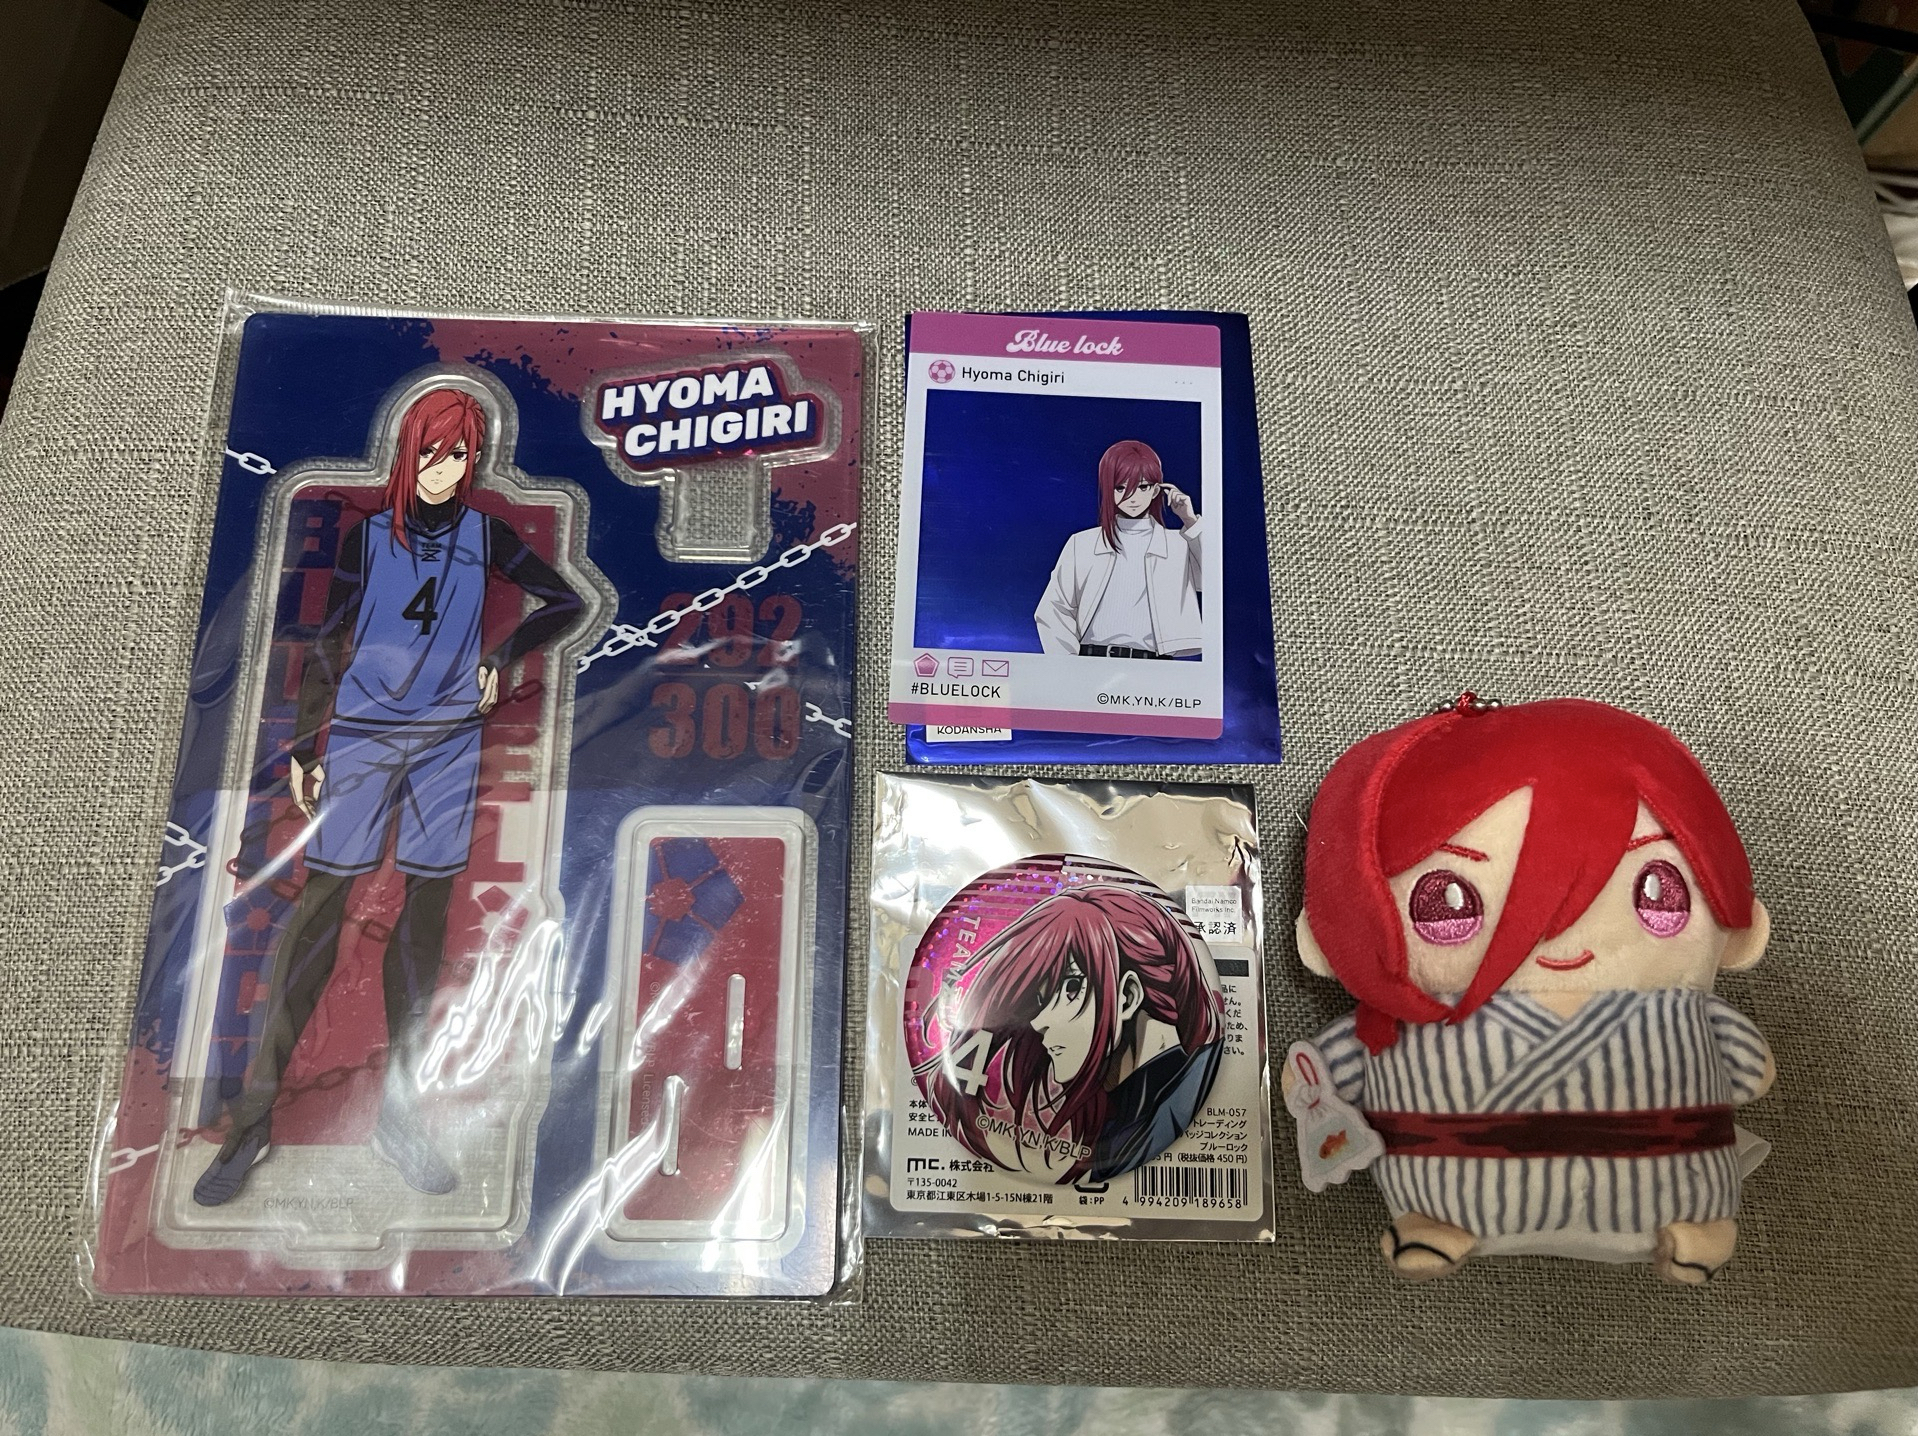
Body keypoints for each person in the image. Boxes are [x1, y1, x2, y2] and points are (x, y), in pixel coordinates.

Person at [194, 385, 585, 1206]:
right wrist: (308, 747)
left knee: (423, 926)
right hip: (364, 737)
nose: (449, 469)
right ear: (410, 452)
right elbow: (325, 644)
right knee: (318, 916)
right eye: (436, 452)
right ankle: (252, 1123)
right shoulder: (369, 539)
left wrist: (500, 657)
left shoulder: (487, 536)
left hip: (449, 743)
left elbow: (567, 601)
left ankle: (400, 1118)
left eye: (463, 455)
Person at [1288, 698, 1775, 1284]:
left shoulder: (1676, 1008)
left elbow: (1749, 1069)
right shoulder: (1399, 1017)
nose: (1557, 936)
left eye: (1657, 890)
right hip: (1449, 1180)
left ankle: (1696, 1224)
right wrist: (1315, 1078)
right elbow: (1751, 1073)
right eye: (1447, 905)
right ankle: (1437, 1225)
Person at [917, 884, 1223, 1183]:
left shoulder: (1172, 1105)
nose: (1039, 1022)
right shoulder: (1123, 1126)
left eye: (1071, 987)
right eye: (1041, 998)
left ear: (1128, 996)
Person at [1033, 439, 1203, 659]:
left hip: (1156, 666)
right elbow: (1054, 608)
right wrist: (1068, 664)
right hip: (1091, 662)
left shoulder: (1179, 544)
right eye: (1120, 487)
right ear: (1108, 490)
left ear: (1156, 490)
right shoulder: (1082, 543)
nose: (1132, 498)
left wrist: (1190, 520)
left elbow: (1212, 582)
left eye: (1142, 487)